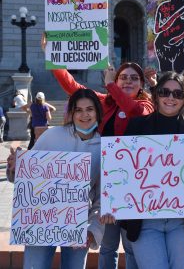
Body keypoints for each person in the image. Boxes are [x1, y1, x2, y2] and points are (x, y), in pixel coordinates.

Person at [50, 62, 154, 269]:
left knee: (132, 243)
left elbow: (133, 111)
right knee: (108, 245)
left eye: (134, 78)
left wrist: (111, 86)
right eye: (123, 77)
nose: (128, 81)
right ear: (116, 80)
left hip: (135, 184)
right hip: (104, 184)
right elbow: (72, 86)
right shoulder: (104, 101)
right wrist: (53, 59)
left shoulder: (146, 105)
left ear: (142, 84)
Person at [6, 88, 113, 269]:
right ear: (71, 113)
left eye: (90, 109)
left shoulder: (105, 147)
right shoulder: (52, 136)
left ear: (97, 112)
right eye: (78, 110)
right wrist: (16, 166)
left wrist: (92, 230)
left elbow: (102, 196)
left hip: (79, 224)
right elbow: (27, 179)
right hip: (40, 220)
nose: (84, 115)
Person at [122, 71, 184, 269]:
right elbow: (124, 172)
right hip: (145, 221)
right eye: (165, 92)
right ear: (156, 94)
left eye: (178, 94)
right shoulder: (136, 126)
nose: (170, 98)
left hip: (182, 221)